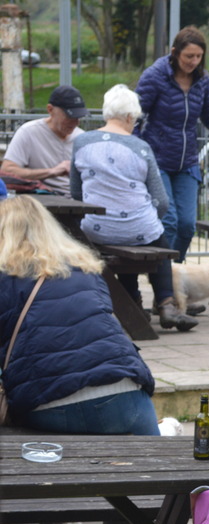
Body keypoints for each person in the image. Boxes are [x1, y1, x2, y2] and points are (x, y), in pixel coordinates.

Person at [0, 196, 158, 436]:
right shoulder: (85, 267)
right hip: (123, 388)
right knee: (152, 462)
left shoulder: (5, 276)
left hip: (47, 399)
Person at [70, 84, 197, 332]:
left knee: (126, 242)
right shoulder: (141, 147)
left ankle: (134, 305)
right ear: (130, 117)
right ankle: (167, 305)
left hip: (96, 230)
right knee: (156, 241)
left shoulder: (81, 142)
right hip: (138, 228)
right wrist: (146, 218)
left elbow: (76, 193)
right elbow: (161, 201)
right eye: (135, 120)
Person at [135, 25, 209, 263]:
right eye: (188, 56)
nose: (194, 61)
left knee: (187, 226)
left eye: (199, 56)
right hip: (158, 161)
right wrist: (138, 151)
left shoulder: (202, 80)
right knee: (170, 222)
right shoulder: (154, 76)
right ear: (175, 52)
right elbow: (135, 116)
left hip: (187, 163)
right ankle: (164, 286)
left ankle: (173, 277)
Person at [1, 85, 89, 194]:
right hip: (44, 198)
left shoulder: (82, 137)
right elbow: (7, 170)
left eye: (78, 117)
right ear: (50, 110)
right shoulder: (29, 132)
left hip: (79, 199)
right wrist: (52, 172)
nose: (75, 122)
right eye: (70, 117)